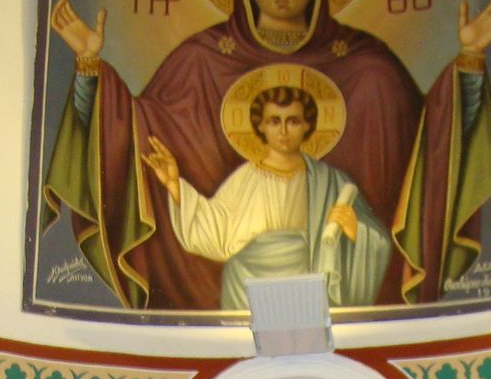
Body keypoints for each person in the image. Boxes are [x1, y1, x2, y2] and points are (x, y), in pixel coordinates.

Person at [42, 0, 491, 310]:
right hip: (243, 286)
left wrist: (469, 63)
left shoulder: (368, 66)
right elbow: (127, 131)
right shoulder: (200, 61)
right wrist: (88, 67)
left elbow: (431, 152)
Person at [141, 83, 391, 309]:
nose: (283, 130)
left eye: (293, 121)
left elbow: (378, 243)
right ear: (261, 125)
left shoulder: (332, 181)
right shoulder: (245, 178)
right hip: (247, 290)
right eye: (274, 121)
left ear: (307, 125)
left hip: (308, 292)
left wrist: (355, 230)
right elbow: (216, 231)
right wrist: (174, 185)